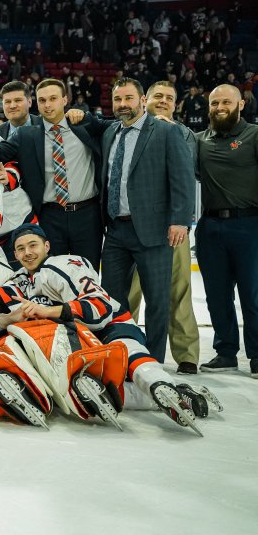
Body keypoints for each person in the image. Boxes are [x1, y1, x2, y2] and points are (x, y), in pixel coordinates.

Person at [0, 224, 218, 434]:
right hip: (81, 339)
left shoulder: (66, 263)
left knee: (128, 352)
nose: (27, 253)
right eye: (21, 249)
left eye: (32, 245)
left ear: (47, 246)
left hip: (109, 326)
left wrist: (52, 311)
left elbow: (100, 306)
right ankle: (176, 394)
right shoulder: (20, 279)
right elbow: (7, 305)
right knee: (89, 391)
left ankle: (158, 382)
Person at [98, 78, 194, 364]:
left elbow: (183, 178)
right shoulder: (110, 132)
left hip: (154, 230)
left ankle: (153, 362)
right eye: (118, 99)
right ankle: (120, 355)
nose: (123, 104)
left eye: (128, 98)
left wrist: (180, 220)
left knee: (157, 301)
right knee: (112, 299)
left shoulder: (166, 131)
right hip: (115, 229)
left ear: (142, 100)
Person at [0, 79, 111, 268]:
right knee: (51, 272)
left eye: (53, 98)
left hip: (87, 214)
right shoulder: (27, 134)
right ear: (36, 103)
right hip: (50, 216)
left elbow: (116, 126)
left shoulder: (83, 125)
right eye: (42, 100)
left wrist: (85, 116)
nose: (47, 104)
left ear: (65, 100)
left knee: (89, 271)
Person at [128, 81, 200, 374]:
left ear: (176, 104)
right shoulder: (128, 129)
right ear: (145, 99)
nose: (163, 101)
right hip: (135, 225)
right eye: (158, 96)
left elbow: (187, 172)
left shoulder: (185, 134)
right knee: (130, 292)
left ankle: (187, 354)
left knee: (178, 289)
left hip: (172, 227)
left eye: (170, 98)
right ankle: (123, 345)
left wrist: (169, 133)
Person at [195, 84, 258, 377]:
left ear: (241, 105)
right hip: (210, 227)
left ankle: (257, 355)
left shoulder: (254, 135)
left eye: (226, 102)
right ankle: (225, 352)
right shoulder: (199, 140)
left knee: (252, 295)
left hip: (249, 226)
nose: (220, 108)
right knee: (216, 295)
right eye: (215, 103)